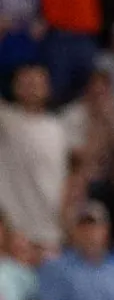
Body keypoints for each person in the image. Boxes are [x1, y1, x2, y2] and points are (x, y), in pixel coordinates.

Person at [0, 63, 68, 248]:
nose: (31, 87)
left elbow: (69, 176)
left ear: (48, 88)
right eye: (26, 82)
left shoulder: (58, 127)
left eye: (37, 82)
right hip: (14, 231)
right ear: (15, 86)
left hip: (51, 231)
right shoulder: (6, 119)